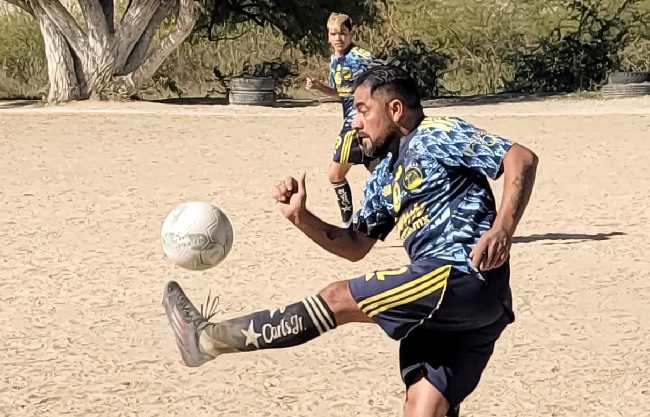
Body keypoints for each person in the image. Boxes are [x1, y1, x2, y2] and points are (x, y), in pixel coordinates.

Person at [162, 65, 538, 417]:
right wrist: (300, 217)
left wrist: (503, 228)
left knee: (337, 298)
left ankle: (208, 340)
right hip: (455, 311)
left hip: (459, 275)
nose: (355, 122)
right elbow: (355, 246)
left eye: (362, 110)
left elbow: (520, 158)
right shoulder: (382, 176)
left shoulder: (436, 133)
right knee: (422, 408)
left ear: (395, 109)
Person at [305, 12, 380, 227]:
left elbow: (384, 79)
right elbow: (340, 94)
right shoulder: (335, 60)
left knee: (335, 174)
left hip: (357, 122)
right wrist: (318, 86)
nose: (338, 38)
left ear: (351, 34)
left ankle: (348, 222)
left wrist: (367, 109)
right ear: (328, 36)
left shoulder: (361, 57)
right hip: (351, 118)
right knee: (378, 172)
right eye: (334, 34)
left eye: (343, 33)